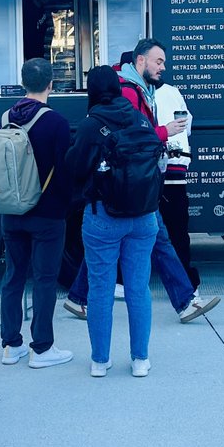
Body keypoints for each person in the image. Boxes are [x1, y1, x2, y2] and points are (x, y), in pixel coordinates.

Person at [64, 39, 219, 324]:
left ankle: (78, 298)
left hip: (123, 188)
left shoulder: (138, 91)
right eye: (158, 61)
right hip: (130, 187)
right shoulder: (130, 93)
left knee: (124, 242)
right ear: (140, 61)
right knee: (159, 242)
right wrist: (164, 132)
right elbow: (135, 137)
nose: (163, 67)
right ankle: (184, 302)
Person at [65, 66, 160, 377]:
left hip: (103, 216)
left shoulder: (92, 125)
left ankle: (100, 361)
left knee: (101, 289)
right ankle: (140, 360)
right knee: (138, 288)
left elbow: (76, 168)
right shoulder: (139, 117)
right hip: (144, 216)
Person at [0, 58, 73, 369]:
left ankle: (10, 345)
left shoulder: (6, 117)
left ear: (23, 82)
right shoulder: (57, 122)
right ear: (51, 84)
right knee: (44, 279)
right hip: (47, 213)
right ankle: (41, 348)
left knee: (13, 276)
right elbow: (65, 171)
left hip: (12, 211)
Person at [154, 77, 199, 289]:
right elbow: (187, 127)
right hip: (175, 168)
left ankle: (121, 280)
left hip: (146, 174)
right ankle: (185, 283)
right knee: (177, 232)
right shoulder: (173, 92)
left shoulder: (131, 94)